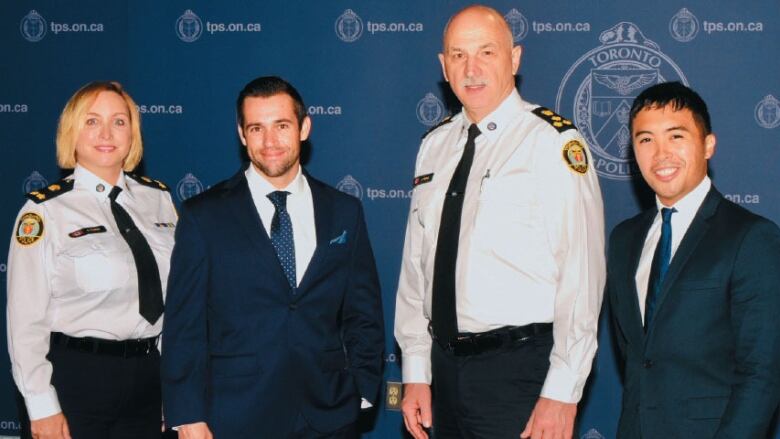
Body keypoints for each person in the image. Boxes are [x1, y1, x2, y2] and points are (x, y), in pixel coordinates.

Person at [394, 5, 605, 439]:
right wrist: (416, 368)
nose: (471, 68)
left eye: (487, 52)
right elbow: (418, 268)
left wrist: (563, 392)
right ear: (443, 66)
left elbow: (582, 276)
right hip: (445, 371)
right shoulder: (434, 146)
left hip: (521, 373)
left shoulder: (552, 143)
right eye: (458, 55)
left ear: (514, 58)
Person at [160, 76, 384, 438]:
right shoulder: (204, 216)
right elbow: (184, 327)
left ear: (304, 127)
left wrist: (361, 388)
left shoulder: (344, 211)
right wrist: (187, 415)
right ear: (241, 134)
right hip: (235, 417)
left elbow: (364, 312)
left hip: (329, 414)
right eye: (256, 128)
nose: (270, 142)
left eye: (281, 126)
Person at [607, 81, 780, 437]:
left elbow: (762, 372)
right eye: (645, 140)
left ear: (708, 145)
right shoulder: (624, 239)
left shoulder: (751, 237)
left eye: (676, 136)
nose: (660, 154)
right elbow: (637, 358)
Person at [7, 81, 177, 439]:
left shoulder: (159, 200)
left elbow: (172, 304)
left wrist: (171, 391)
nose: (106, 133)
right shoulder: (44, 211)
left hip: (148, 379)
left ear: (133, 133)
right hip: (76, 381)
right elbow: (25, 321)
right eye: (91, 121)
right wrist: (41, 406)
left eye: (119, 121)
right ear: (72, 132)